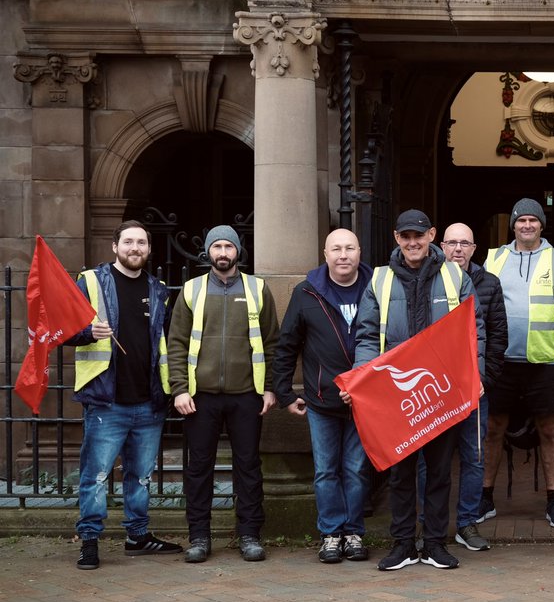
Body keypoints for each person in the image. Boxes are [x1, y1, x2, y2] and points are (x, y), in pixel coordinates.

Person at [350, 209, 484, 572]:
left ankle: (436, 543)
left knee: (439, 471)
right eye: (406, 236)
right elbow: (365, 335)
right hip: (396, 394)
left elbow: (476, 331)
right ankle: (404, 544)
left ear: (431, 236)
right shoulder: (379, 280)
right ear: (396, 238)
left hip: (442, 390)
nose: (413, 242)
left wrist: (477, 376)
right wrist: (361, 378)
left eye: (419, 236)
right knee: (401, 473)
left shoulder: (456, 276)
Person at [65, 220, 181, 570]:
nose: (135, 248)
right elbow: (61, 330)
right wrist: (87, 332)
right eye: (128, 242)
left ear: (148, 249)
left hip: (149, 400)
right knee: (96, 475)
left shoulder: (158, 288)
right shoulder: (90, 281)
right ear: (115, 246)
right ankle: (89, 541)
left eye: (141, 243)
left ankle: (138, 536)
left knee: (142, 476)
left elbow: (166, 342)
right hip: (106, 400)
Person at [168, 225, 279, 564]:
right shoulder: (191, 290)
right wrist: (179, 389)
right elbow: (176, 344)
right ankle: (199, 537)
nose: (223, 253)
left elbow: (273, 343)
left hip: (247, 394)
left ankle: (249, 535)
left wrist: (271, 387)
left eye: (228, 247)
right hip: (200, 398)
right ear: (208, 252)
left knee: (248, 467)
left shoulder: (258, 289)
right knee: (199, 468)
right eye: (217, 246)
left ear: (238, 251)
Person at [272, 228, 372, 564]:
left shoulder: (377, 288)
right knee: (326, 471)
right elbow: (287, 346)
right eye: (336, 249)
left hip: (365, 402)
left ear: (360, 251)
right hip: (321, 401)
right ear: (325, 253)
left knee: (357, 470)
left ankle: (354, 532)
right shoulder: (306, 292)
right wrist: (285, 393)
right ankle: (331, 534)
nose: (343, 255)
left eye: (349, 248)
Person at [481, 198, 554, 528]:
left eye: (532, 220)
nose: (526, 225)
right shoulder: (494, 258)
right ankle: (485, 497)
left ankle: (553, 499)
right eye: (520, 220)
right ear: (513, 225)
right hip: (502, 360)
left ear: (541, 225)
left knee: (549, 430)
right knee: (493, 428)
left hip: (544, 359)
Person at [438, 221, 507, 552]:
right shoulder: (431, 280)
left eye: (464, 243)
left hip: (474, 390)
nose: (457, 250)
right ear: (440, 247)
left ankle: (467, 522)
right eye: (451, 243)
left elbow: (496, 337)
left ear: (474, 249)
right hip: (436, 390)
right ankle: (431, 523)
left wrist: (484, 379)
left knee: (473, 457)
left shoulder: (489, 284)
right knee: (430, 458)